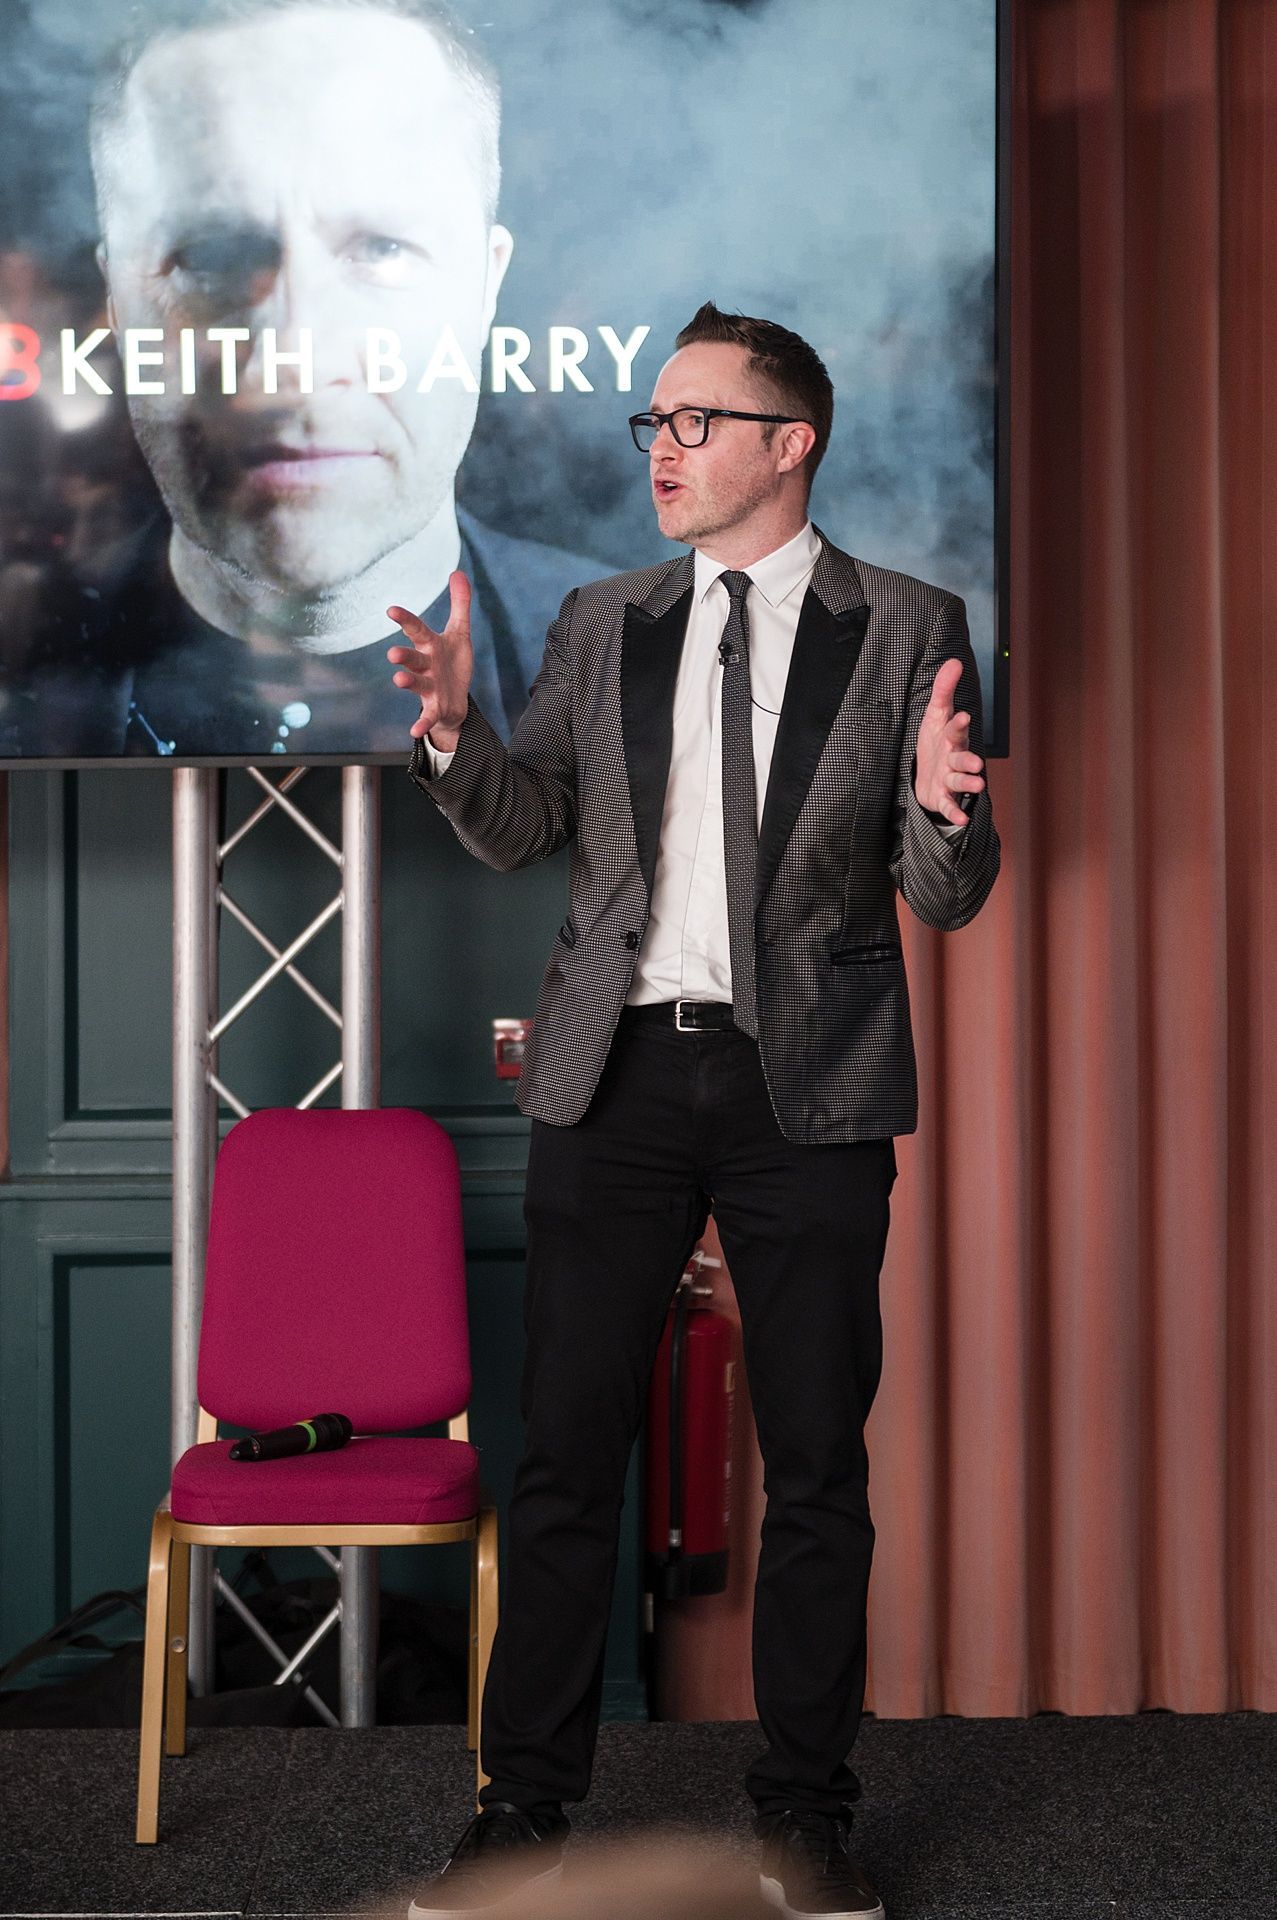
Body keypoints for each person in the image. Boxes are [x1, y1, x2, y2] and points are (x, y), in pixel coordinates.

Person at [388, 303, 1001, 1920]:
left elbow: (948, 891)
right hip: (616, 1076)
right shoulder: (600, 620)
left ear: (787, 443)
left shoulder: (911, 621)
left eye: (691, 423)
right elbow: (524, 829)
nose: (658, 449)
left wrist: (944, 817)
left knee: (815, 1464)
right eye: (649, 424)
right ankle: (521, 1815)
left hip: (812, 1083)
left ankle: (801, 1819)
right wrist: (452, 733)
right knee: (566, 1463)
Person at [7, 0, 601, 759]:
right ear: (119, 302)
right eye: (212, 256)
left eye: (381, 247)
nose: (295, 359)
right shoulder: (22, 686)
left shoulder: (668, 674)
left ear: (484, 290)